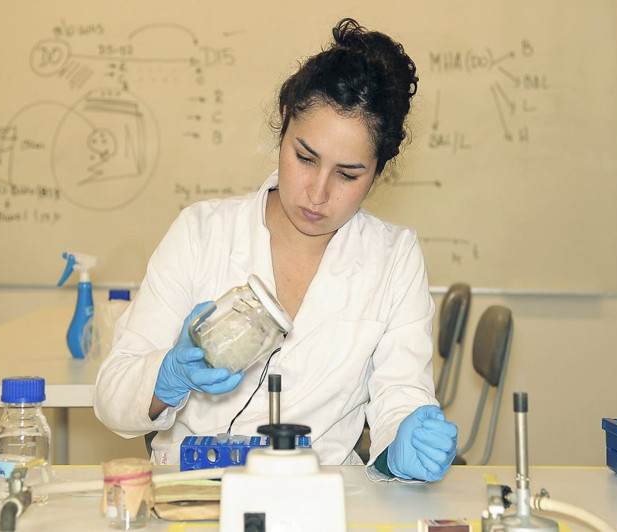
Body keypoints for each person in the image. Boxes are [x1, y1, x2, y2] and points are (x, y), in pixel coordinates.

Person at [94, 17, 457, 482]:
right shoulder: (201, 233)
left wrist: (405, 442)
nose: (317, 193)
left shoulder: (393, 258)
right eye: (305, 158)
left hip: (321, 495)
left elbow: (401, 398)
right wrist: (168, 377)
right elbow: (111, 397)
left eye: (348, 174)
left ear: (378, 171)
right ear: (284, 121)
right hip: (193, 495)